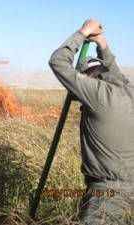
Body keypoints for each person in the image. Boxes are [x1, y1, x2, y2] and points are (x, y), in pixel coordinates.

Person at [49, 19, 134, 224]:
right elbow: (115, 73)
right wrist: (101, 43)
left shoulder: (95, 93)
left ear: (86, 76)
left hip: (108, 194)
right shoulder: (129, 90)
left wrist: (83, 32)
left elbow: (58, 61)